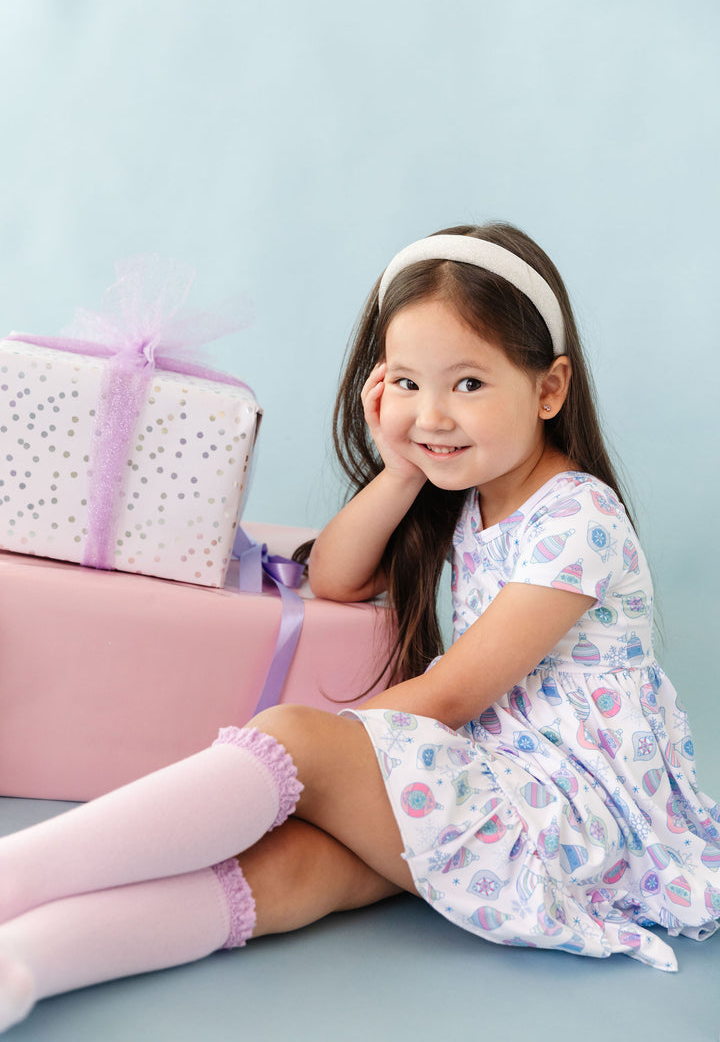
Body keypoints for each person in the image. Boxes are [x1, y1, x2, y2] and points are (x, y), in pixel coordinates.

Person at [1, 223, 718, 1031]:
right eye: (407, 383)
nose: (433, 414)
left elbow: (450, 694)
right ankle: (23, 965)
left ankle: (11, 878)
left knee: (295, 742)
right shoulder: (477, 491)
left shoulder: (578, 516)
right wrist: (403, 466)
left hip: (572, 809)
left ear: (549, 390)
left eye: (470, 384)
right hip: (500, 773)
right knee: (300, 873)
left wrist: (310, 757)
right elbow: (336, 575)